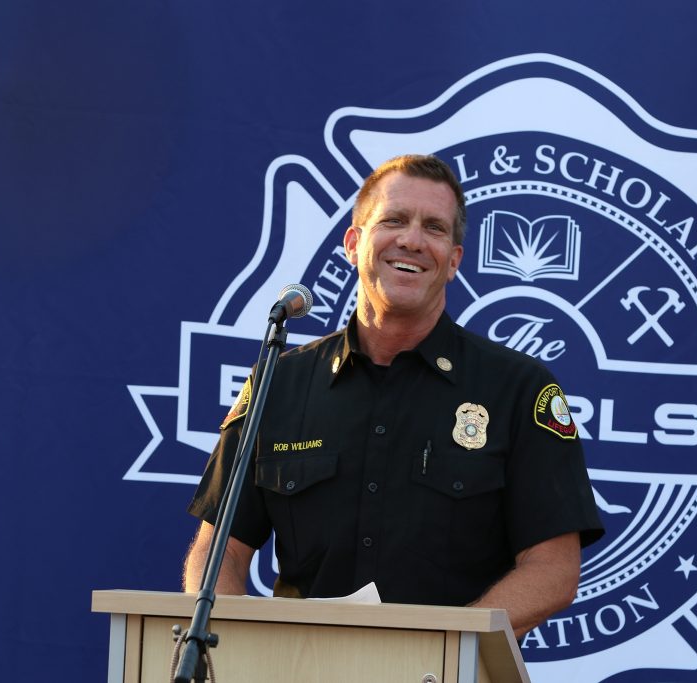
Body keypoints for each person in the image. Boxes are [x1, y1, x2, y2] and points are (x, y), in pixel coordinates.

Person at [183, 154, 603, 637]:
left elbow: (553, 570)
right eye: (394, 220)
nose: (412, 240)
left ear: (454, 261)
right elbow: (219, 556)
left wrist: (440, 651)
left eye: (435, 228)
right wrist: (234, 650)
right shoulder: (280, 383)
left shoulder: (519, 389)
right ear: (353, 243)